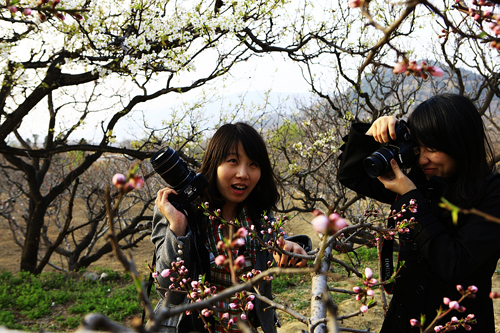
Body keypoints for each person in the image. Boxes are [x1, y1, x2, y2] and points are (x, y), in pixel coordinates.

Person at [337, 93, 500, 332]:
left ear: (460, 143)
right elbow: (351, 175)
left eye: (432, 148)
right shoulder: (419, 179)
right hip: (403, 320)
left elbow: (455, 263)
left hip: (458, 324)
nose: (422, 159)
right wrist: (374, 134)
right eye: (418, 147)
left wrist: (411, 197)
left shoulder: (492, 191)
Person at [151, 122, 310, 333]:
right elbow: (168, 289)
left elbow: (278, 243)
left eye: (253, 164)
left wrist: (292, 248)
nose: (243, 174)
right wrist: (178, 227)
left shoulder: (257, 213)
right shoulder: (180, 211)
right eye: (233, 161)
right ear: (214, 163)